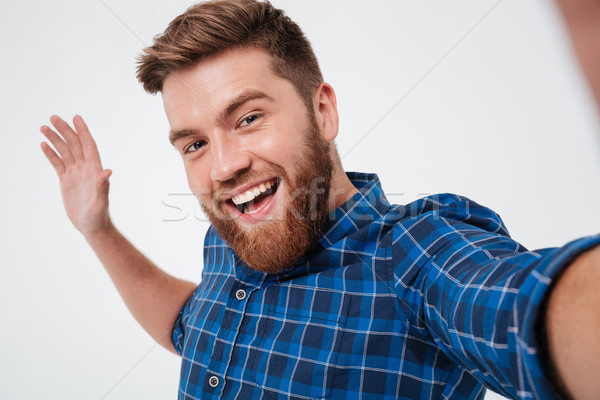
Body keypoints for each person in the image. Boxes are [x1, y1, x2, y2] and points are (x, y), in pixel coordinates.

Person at [39, 1, 600, 399]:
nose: (224, 165)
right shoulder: (235, 236)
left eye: (249, 117)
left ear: (323, 111)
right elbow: (191, 328)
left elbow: (527, 311)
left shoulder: (417, 255)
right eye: (195, 143)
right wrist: (98, 229)